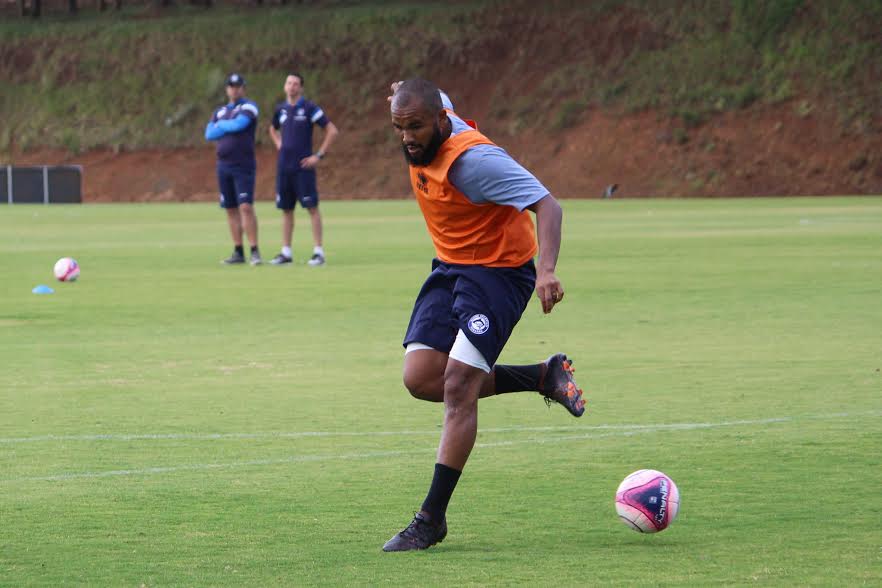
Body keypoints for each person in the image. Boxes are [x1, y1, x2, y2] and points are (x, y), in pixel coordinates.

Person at [381, 79, 586, 552]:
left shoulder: (474, 162)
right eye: (398, 127)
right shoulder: (429, 115)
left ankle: (430, 519)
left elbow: (547, 205)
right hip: (451, 266)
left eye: (415, 126)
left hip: (499, 274)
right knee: (421, 378)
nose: (407, 137)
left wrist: (547, 271)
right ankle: (542, 376)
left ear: (439, 121)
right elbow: (429, 96)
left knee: (457, 386)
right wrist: (404, 89)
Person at [268, 73, 339, 266]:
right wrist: (279, 144)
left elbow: (331, 130)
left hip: (303, 168)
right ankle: (286, 252)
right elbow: (272, 129)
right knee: (286, 209)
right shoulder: (280, 109)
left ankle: (318, 252)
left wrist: (318, 155)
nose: (292, 86)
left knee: (312, 208)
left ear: (301, 88)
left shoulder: (309, 108)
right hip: (284, 167)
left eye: (296, 84)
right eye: (289, 83)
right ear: (285, 86)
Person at [205, 73, 262, 265]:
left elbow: (240, 125)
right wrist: (223, 125)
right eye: (231, 86)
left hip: (242, 164)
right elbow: (209, 133)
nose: (234, 89)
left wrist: (221, 125)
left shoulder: (249, 107)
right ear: (227, 89)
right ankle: (238, 251)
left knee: (245, 206)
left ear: (243, 88)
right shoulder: (220, 111)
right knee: (230, 208)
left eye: (238, 86)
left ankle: (255, 250)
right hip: (223, 165)